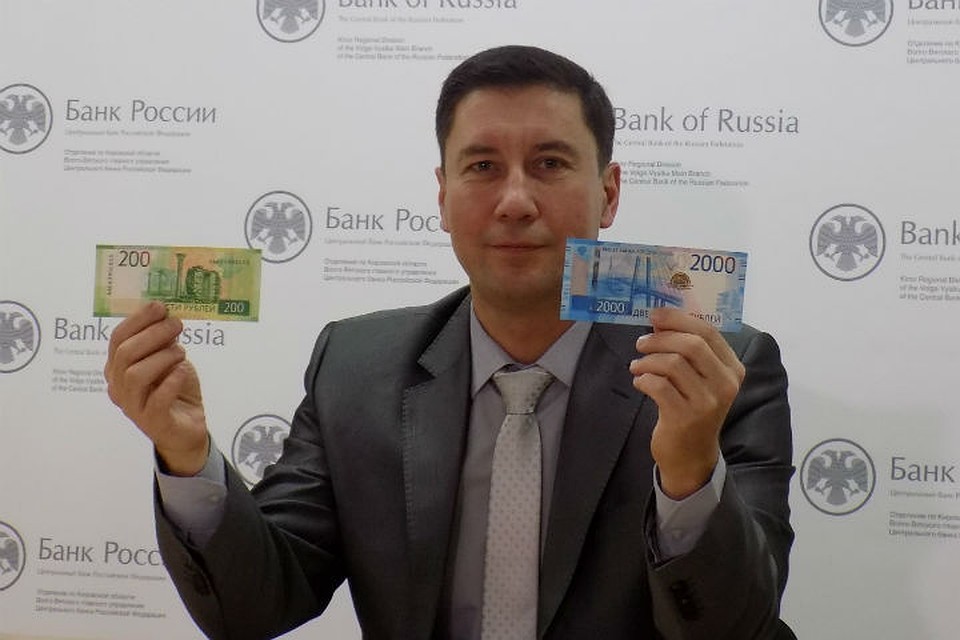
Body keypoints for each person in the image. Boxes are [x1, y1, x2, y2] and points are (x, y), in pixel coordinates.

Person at [104, 45, 795, 639]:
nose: (515, 201)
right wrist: (186, 456)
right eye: (483, 167)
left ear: (609, 193)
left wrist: (689, 470)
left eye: (550, 163)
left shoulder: (723, 374)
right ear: (441, 195)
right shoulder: (356, 369)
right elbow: (257, 604)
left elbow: (741, 628)